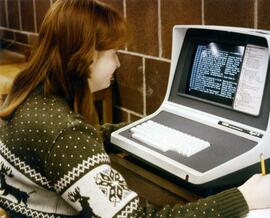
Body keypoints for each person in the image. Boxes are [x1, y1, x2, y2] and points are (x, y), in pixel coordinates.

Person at [0, 0, 269, 217]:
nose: (118, 64)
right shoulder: (66, 135)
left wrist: (133, 131)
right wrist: (244, 198)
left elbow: (71, 143)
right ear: (86, 57)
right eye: (113, 53)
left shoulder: (27, 97)